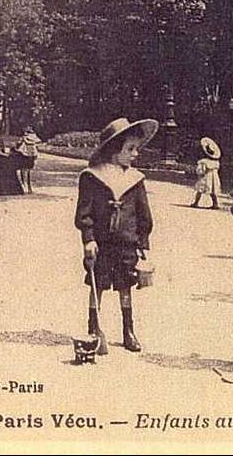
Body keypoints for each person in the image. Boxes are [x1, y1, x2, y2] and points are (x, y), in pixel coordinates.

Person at [75, 117, 157, 354]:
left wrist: (143, 243)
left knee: (125, 284)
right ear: (113, 150)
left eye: (136, 149)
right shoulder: (92, 177)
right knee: (97, 283)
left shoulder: (135, 179)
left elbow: (144, 214)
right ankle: (94, 327)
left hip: (126, 244)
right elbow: (84, 213)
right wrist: (88, 238)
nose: (135, 154)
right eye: (130, 149)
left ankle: (128, 329)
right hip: (101, 244)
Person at [190, 137, 222, 209]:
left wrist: (199, 173)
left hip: (206, 177)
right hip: (214, 178)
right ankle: (215, 203)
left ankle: (196, 202)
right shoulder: (216, 162)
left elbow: (201, 170)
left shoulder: (203, 162)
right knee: (213, 191)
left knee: (200, 190)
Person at [15, 127, 42, 194]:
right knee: (29, 171)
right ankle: (29, 187)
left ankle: (24, 186)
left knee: (23, 170)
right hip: (32, 155)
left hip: (25, 154)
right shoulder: (35, 137)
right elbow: (39, 143)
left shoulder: (24, 137)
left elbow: (18, 144)